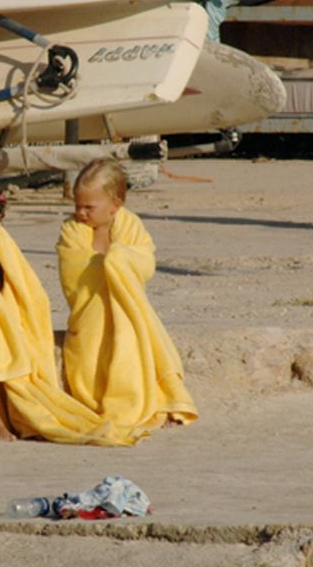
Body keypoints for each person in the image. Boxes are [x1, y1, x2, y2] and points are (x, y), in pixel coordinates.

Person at [0, 179, 134, 446]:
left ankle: (21, 416)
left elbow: (20, 278)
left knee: (9, 356)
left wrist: (22, 308)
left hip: (0, 316)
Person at [57, 158, 198, 437]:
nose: (81, 213)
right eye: (77, 205)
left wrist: (118, 259)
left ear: (115, 205)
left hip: (127, 312)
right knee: (87, 362)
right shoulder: (71, 230)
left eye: (89, 207)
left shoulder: (130, 226)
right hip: (90, 315)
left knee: (131, 346)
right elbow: (73, 272)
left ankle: (139, 404)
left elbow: (144, 262)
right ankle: (98, 403)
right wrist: (107, 265)